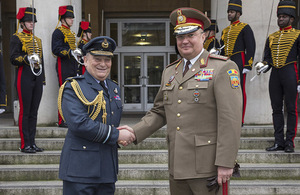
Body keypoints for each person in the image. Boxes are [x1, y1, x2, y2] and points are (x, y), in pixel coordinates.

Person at [119, 7, 242, 195]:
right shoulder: (170, 71)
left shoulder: (222, 68)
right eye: (179, 37)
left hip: (207, 167)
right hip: (177, 166)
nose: (184, 41)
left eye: (191, 35)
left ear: (204, 36)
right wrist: (134, 132)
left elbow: (230, 119)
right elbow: (160, 111)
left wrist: (225, 163)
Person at [58, 36, 135, 195]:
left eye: (107, 60)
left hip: (107, 169)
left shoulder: (113, 88)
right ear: (85, 60)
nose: (103, 64)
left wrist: (119, 135)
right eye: (97, 59)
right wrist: (117, 134)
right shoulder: (73, 87)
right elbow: (79, 123)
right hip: (80, 170)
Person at [260, 0, 299, 153]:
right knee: (276, 109)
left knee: (291, 109)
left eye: (284, 16)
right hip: (275, 75)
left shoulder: (297, 35)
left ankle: (289, 142)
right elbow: (267, 58)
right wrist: (263, 65)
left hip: (291, 72)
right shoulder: (271, 37)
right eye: (279, 16)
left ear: (292, 19)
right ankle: (278, 142)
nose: (280, 19)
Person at [10, 7, 45, 153]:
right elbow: (13, 58)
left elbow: (42, 61)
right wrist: (26, 58)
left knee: (34, 111)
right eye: (28, 21)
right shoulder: (16, 38)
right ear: (22, 23)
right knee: (25, 111)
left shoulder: (37, 40)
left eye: (32, 21)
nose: (31, 24)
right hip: (23, 75)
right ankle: (25, 144)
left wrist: (42, 80)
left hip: (36, 76)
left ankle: (33, 142)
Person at [220, 0, 256, 126]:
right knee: (226, 90)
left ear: (238, 14)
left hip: (239, 61)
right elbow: (222, 48)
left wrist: (248, 64)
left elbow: (251, 47)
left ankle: (240, 118)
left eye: (232, 12)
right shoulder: (225, 31)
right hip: (226, 62)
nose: (229, 14)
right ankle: (229, 116)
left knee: (239, 90)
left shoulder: (245, 27)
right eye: (229, 12)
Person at [52, 5, 77, 128]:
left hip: (72, 64)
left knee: (72, 93)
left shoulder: (71, 33)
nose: (72, 20)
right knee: (63, 92)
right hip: (64, 65)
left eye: (72, 18)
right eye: (69, 18)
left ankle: (70, 117)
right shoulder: (58, 32)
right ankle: (62, 119)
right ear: (63, 19)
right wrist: (70, 52)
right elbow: (56, 49)